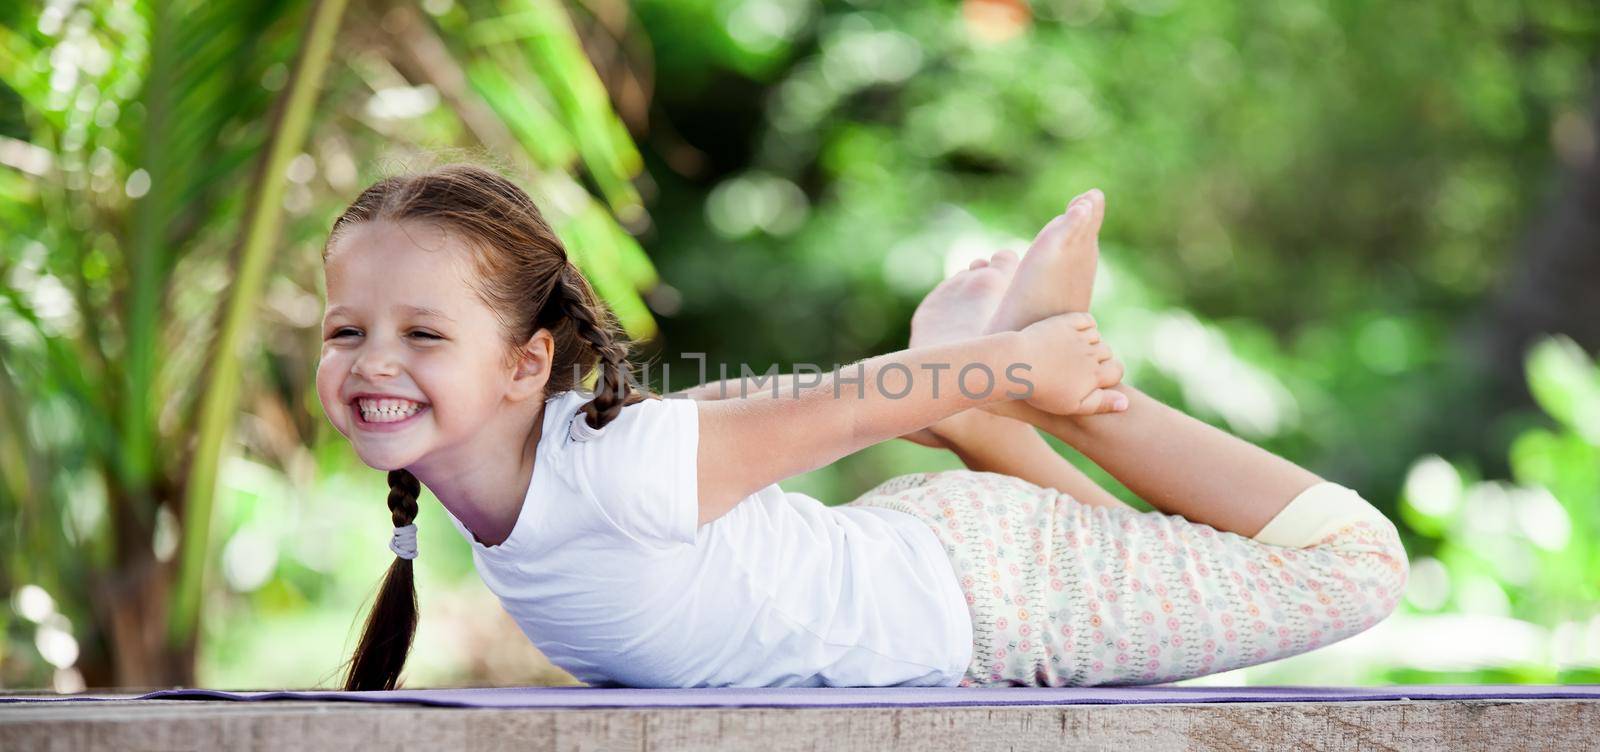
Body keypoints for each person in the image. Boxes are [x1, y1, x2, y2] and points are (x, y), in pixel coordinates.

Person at [316, 163, 1409, 690]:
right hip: (953, 582)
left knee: (1356, 565)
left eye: (422, 333)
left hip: (992, 601)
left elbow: (842, 402)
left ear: (525, 361)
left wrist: (1025, 361)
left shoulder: (612, 466)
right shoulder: (559, 459)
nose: (373, 361)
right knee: (1160, 594)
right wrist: (965, 379)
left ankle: (1024, 392)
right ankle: (990, 408)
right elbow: (729, 410)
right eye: (345, 329)